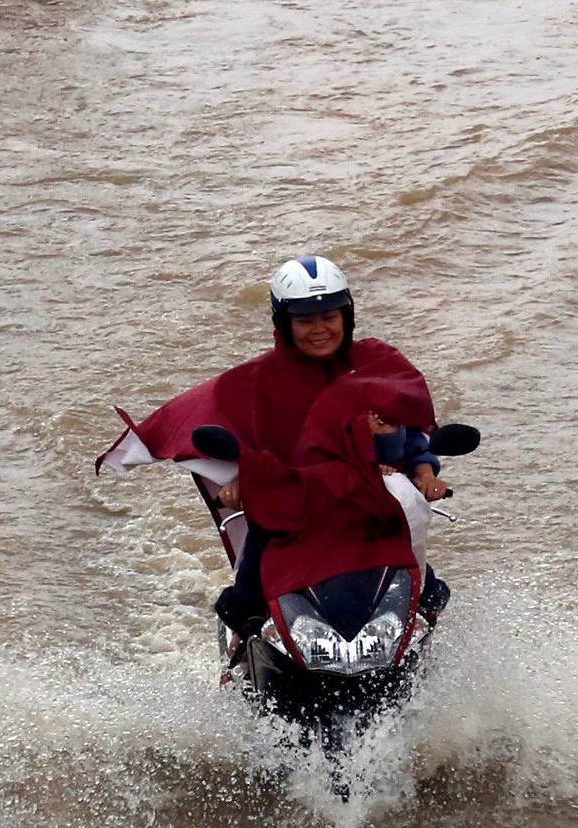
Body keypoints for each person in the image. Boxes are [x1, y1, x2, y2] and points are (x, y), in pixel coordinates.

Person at [98, 255, 451, 634]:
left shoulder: (381, 366)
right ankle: (243, 626)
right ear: (284, 323)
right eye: (305, 320)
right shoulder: (260, 384)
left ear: (346, 317)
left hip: (373, 499)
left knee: (413, 532)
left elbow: (415, 435)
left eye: (329, 316)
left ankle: (420, 605)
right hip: (298, 498)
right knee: (261, 543)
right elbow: (234, 434)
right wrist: (241, 481)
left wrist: (425, 474)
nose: (319, 329)